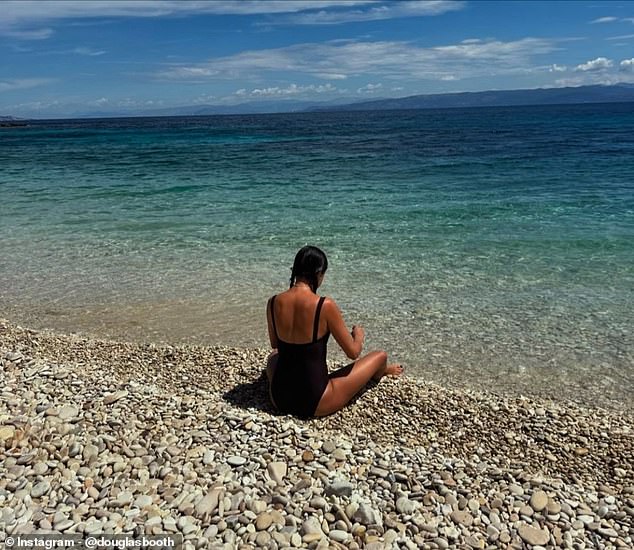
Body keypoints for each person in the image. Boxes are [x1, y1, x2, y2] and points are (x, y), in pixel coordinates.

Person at [266, 245, 403, 417]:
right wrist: (358, 337)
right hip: (315, 400)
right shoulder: (324, 305)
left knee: (273, 358)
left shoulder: (272, 302)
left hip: (279, 398)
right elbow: (353, 353)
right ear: (318, 273)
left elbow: (274, 344)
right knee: (380, 355)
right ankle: (380, 372)